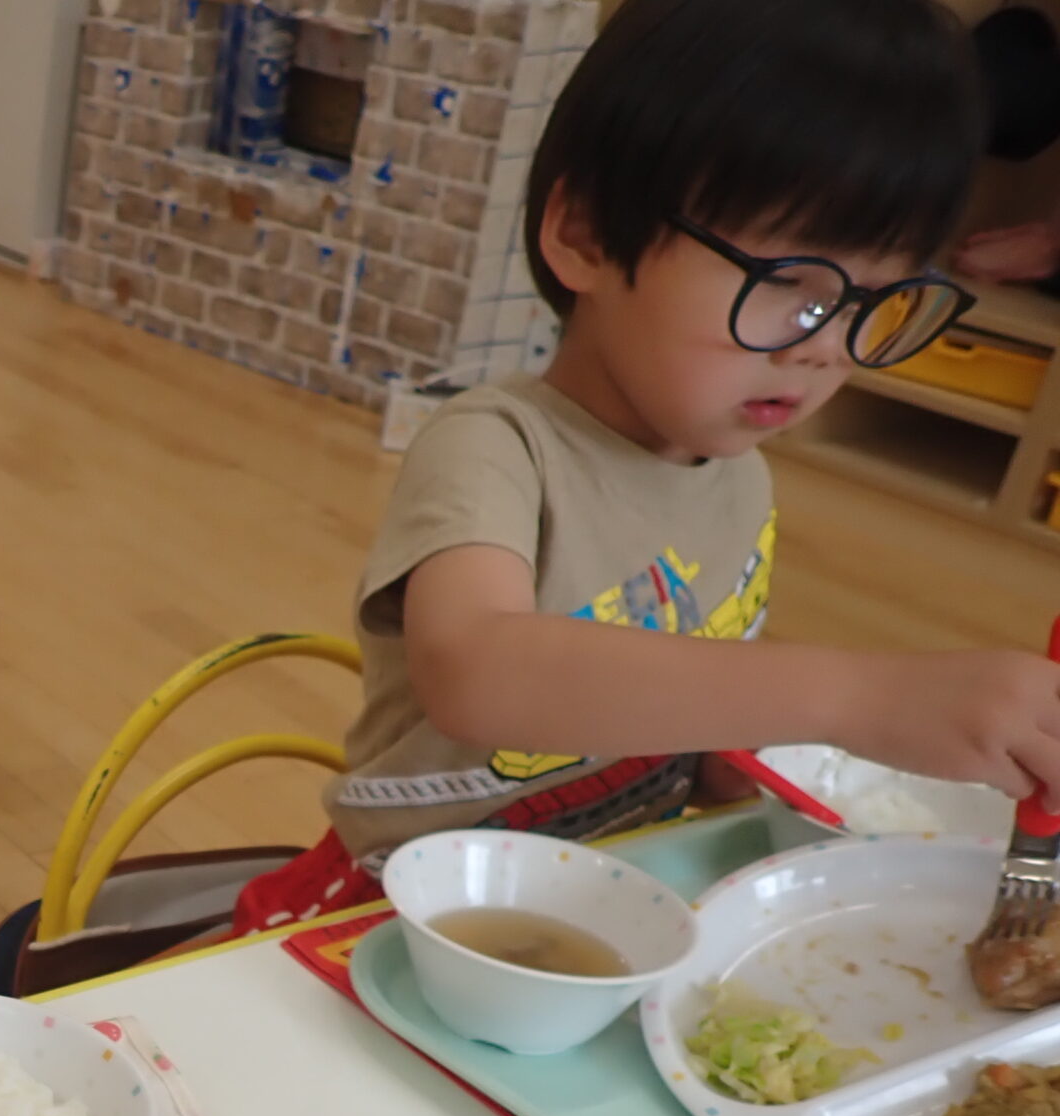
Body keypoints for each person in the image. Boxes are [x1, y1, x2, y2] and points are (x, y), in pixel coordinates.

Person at [231, 0, 1050, 935]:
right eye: (787, 284)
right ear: (585, 235)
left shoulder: (739, 476)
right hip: (399, 908)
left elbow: (681, 693)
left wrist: (734, 759)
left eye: (874, 300)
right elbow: (476, 671)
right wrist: (858, 697)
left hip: (603, 889)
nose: (826, 348)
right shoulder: (498, 446)